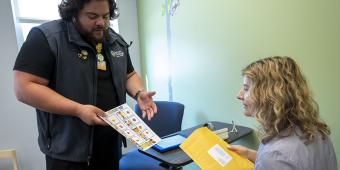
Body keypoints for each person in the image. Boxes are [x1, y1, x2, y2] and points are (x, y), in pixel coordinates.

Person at [13, 0, 157, 169]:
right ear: (74, 13)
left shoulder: (114, 40)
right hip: (69, 153)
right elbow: (23, 87)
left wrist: (139, 93)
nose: (101, 23)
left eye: (106, 16)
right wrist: (78, 109)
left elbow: (129, 75)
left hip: (110, 146)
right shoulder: (47, 37)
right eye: (92, 16)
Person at [228, 56, 337, 170]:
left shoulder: (275, 156)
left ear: (269, 95)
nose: (239, 95)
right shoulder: (317, 132)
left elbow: (278, 161)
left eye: (246, 88)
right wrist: (249, 154)